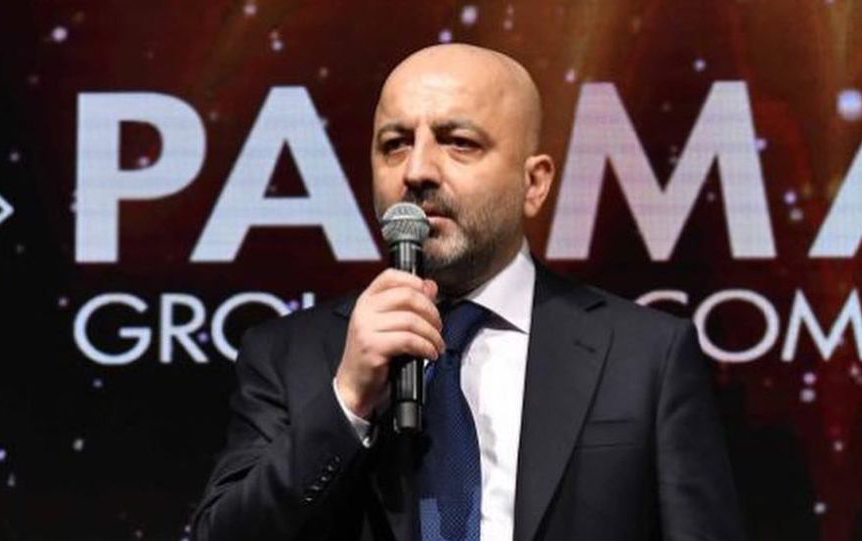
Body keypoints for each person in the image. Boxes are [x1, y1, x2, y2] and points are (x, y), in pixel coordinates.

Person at [192, 44, 745, 541]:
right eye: (395, 144)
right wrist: (348, 402)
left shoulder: (646, 356)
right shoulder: (288, 356)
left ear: (534, 183)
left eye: (458, 143)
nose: (417, 170)